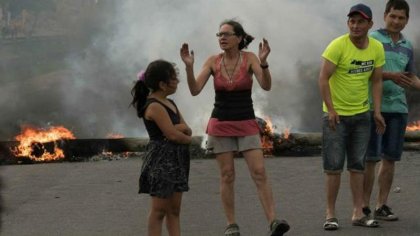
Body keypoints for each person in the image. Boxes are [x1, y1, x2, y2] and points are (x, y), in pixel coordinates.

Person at [180, 19, 289, 236]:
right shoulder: (213, 61)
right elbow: (194, 90)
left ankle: (273, 221)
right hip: (220, 124)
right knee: (227, 175)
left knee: (259, 172)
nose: (222, 38)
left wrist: (265, 62)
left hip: (246, 123)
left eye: (227, 34)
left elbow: (266, 85)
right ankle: (231, 225)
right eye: (219, 35)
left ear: (239, 38)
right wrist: (189, 67)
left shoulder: (250, 58)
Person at [318, 3, 386, 230]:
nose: (355, 26)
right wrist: (331, 109)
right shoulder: (337, 46)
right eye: (352, 21)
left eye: (360, 22)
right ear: (348, 23)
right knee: (334, 166)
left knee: (358, 165)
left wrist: (376, 111)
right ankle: (330, 214)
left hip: (362, 115)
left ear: (370, 24)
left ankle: (358, 212)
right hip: (336, 117)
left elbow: (376, 80)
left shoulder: (376, 47)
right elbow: (323, 79)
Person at [363, 0, 420, 221]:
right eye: (393, 16)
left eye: (401, 18)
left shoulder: (407, 45)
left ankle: (381, 205)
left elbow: (410, 75)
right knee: (371, 158)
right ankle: (364, 207)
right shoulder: (371, 39)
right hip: (372, 106)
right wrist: (390, 76)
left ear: (407, 20)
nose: (396, 21)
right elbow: (362, 70)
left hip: (398, 108)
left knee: (390, 158)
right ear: (385, 15)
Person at [130, 59, 192, 236]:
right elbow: (173, 135)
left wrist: (178, 131)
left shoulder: (170, 103)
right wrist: (182, 134)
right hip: (162, 160)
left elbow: (186, 129)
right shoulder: (154, 106)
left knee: (174, 210)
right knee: (159, 211)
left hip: (178, 159)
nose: (177, 81)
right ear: (162, 84)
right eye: (173, 78)